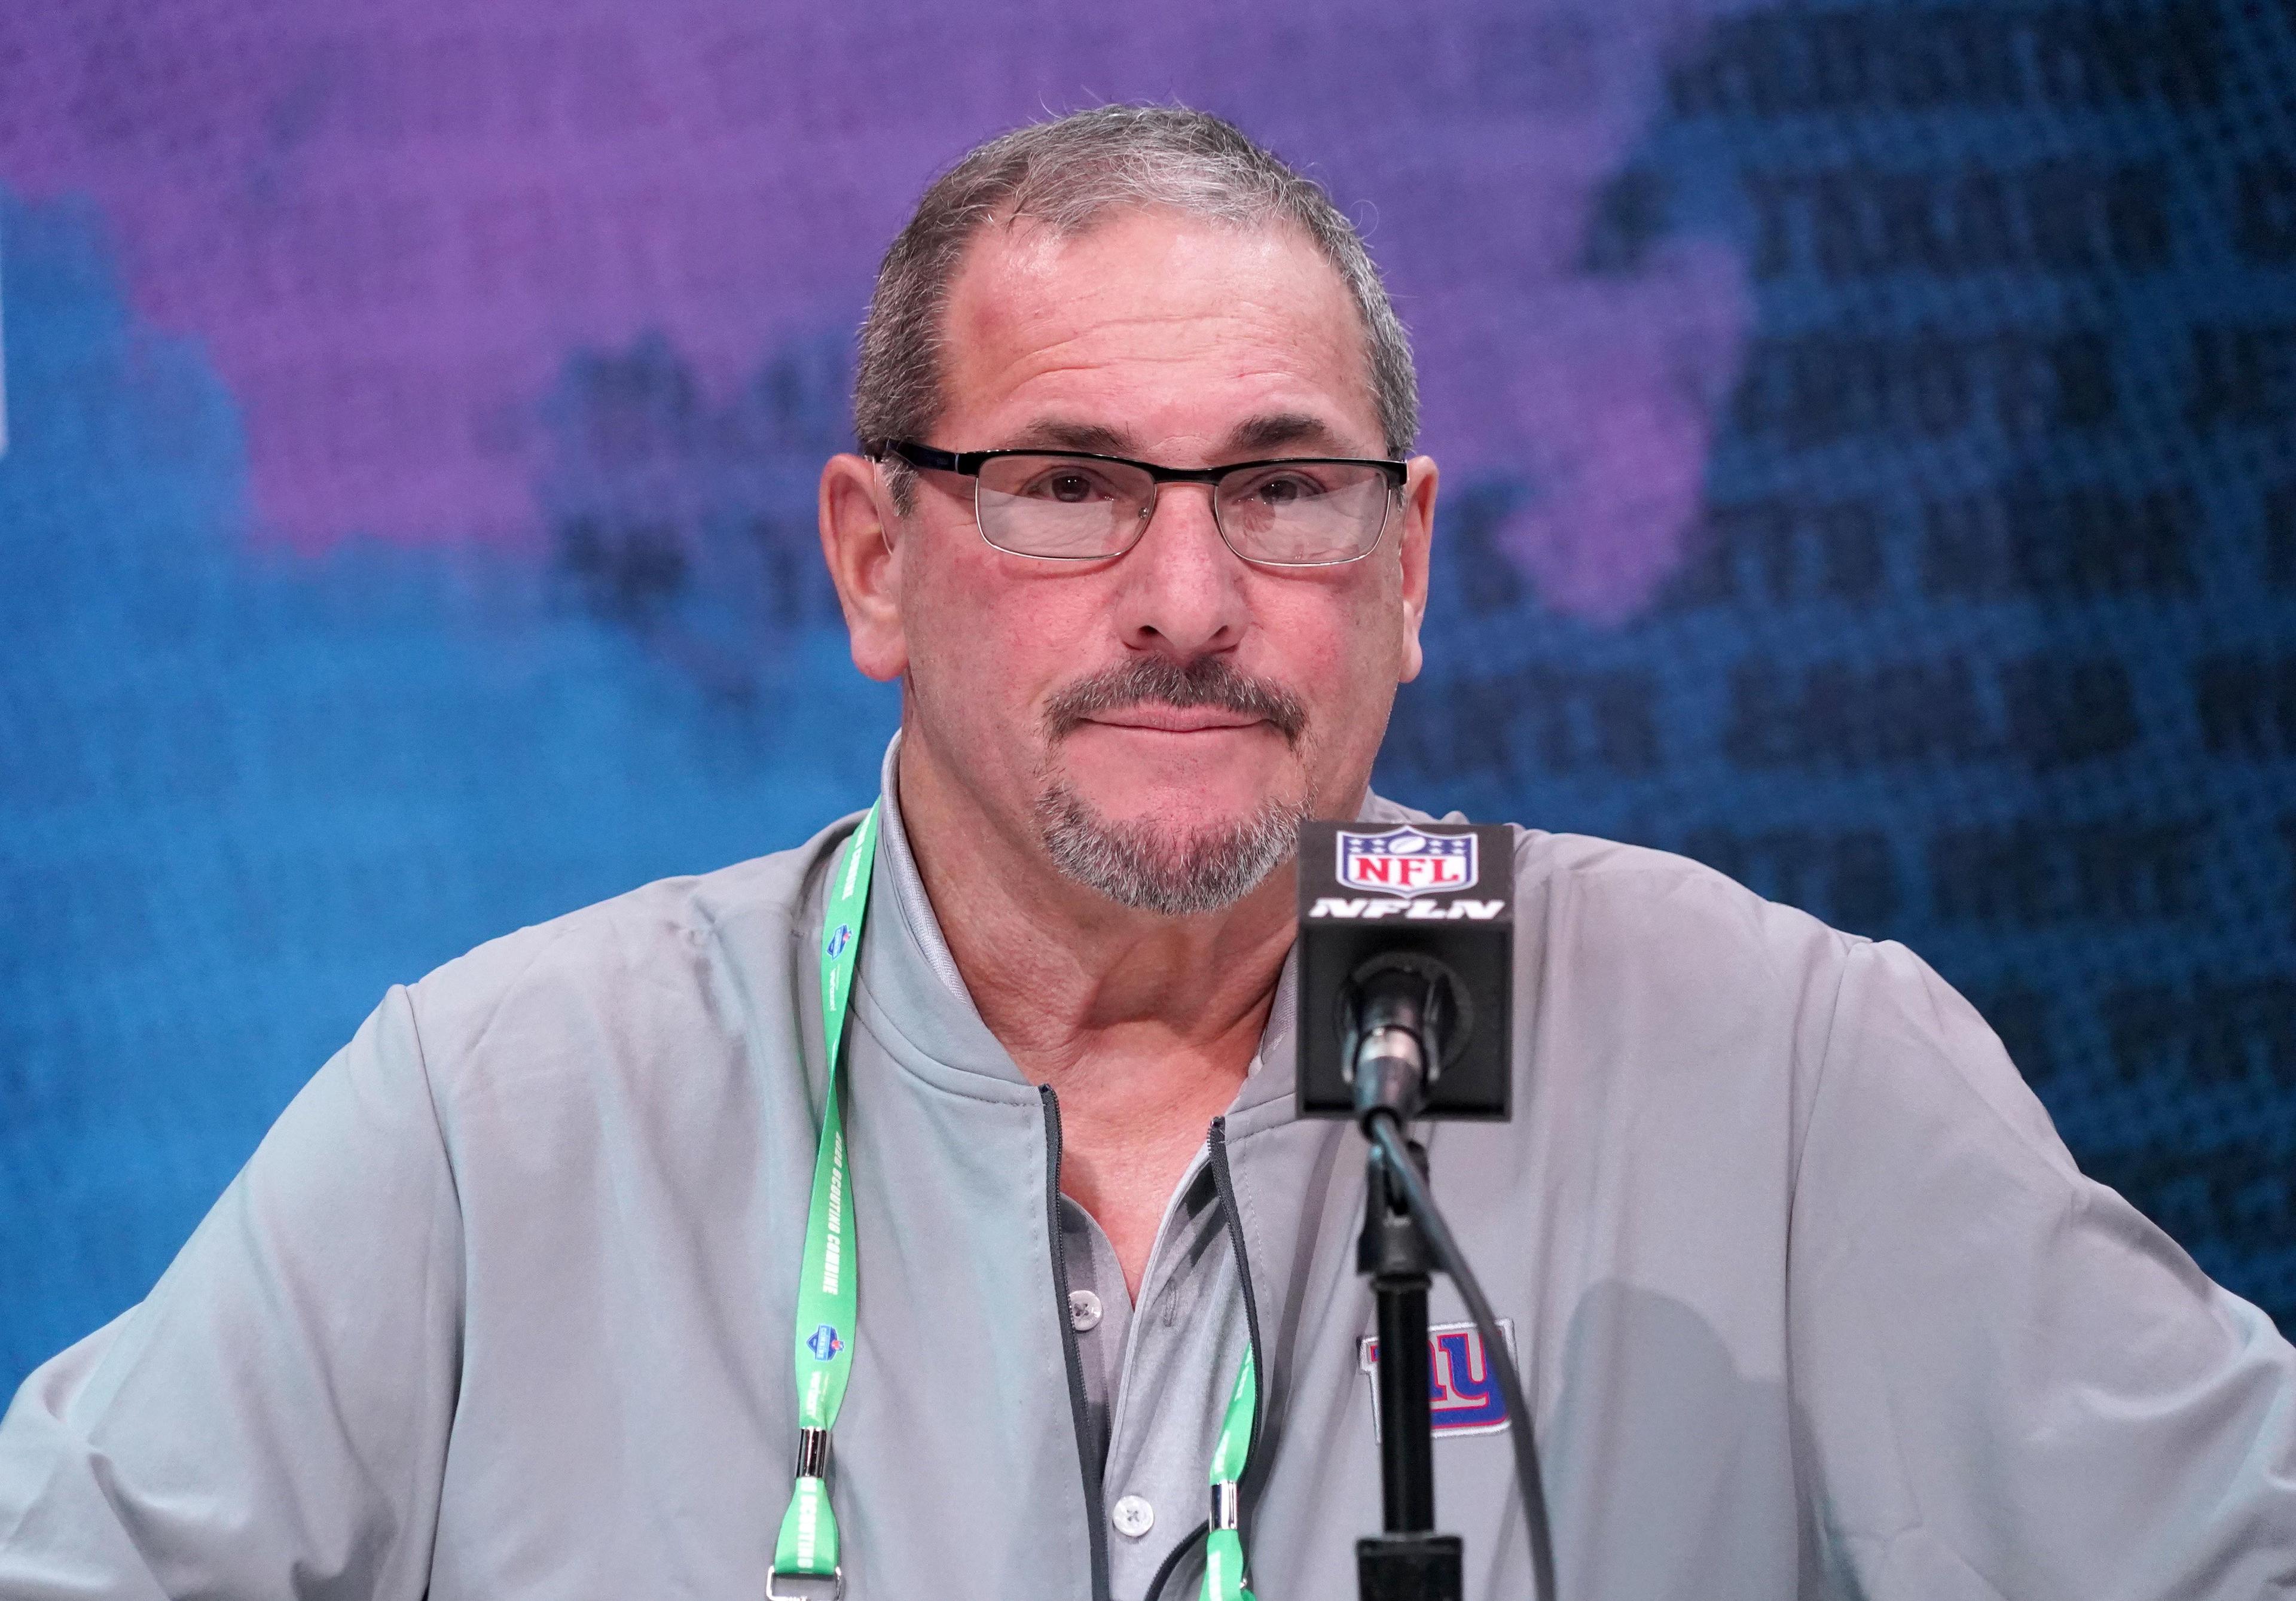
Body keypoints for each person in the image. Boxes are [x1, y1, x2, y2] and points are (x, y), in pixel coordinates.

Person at [4, 103, 2293, 1601]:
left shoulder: (1780, 1079)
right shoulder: (500, 1125)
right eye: (1069, 484)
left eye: (1283, 490)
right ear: (874, 559)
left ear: (1407, 566)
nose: (1188, 599)